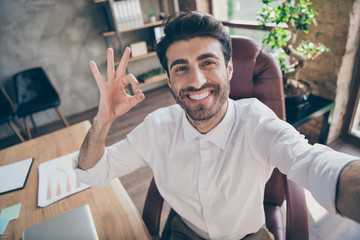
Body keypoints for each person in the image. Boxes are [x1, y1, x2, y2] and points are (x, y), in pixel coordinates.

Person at [73, 11, 360, 240]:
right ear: (169, 79)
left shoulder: (257, 123)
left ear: (230, 68)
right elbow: (94, 173)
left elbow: (312, 162)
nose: (196, 81)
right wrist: (103, 120)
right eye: (181, 67)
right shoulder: (156, 127)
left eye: (208, 62)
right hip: (185, 231)